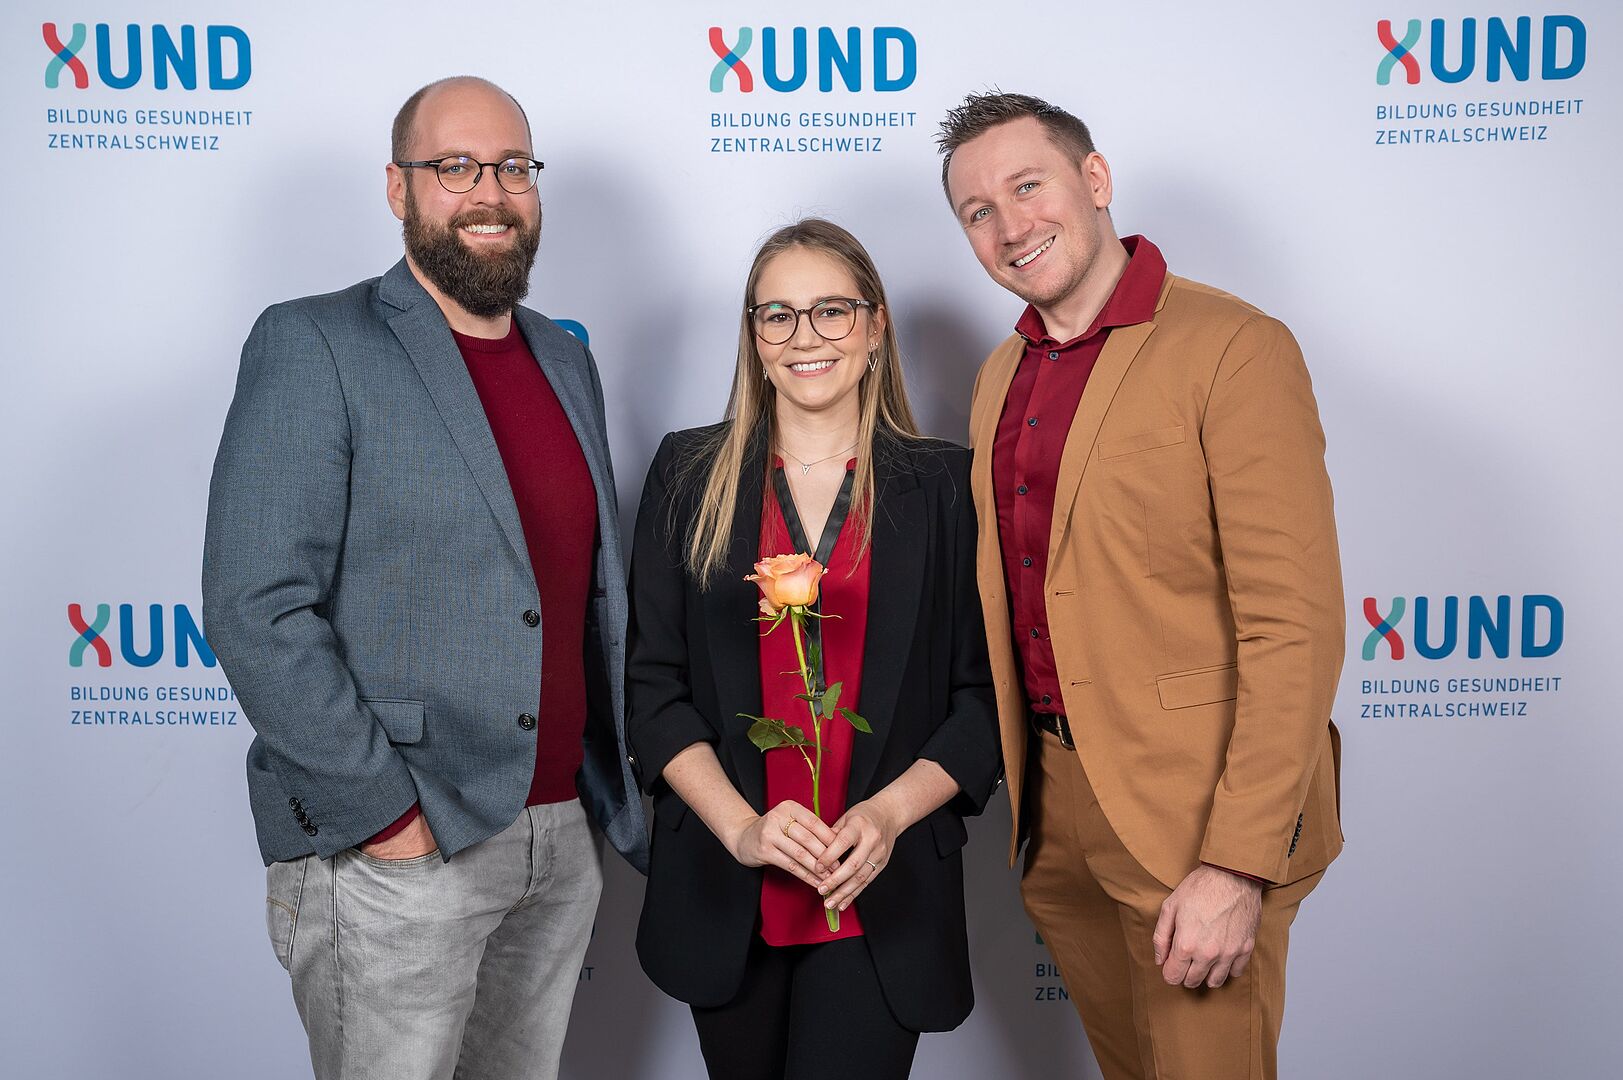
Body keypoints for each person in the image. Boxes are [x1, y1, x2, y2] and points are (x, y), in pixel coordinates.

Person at [201, 76, 646, 1080]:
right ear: (398, 188)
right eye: (455, 166)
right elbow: (254, 604)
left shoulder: (561, 358)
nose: (490, 191)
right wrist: (385, 816)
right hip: (404, 846)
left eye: (513, 167)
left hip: (558, 835)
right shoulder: (315, 342)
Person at [938, 91, 1345, 1080]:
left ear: (1094, 179)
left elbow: (1295, 627)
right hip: (1055, 811)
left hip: (1194, 818)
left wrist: (1237, 862)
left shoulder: (1232, 346)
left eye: (1027, 186)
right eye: (978, 211)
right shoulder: (999, 376)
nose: (1009, 226)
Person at [626, 218, 999, 1080]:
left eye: (832, 310)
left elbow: (983, 700)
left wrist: (887, 816)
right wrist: (741, 829)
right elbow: (651, 687)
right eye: (778, 315)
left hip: (881, 887)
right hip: (730, 883)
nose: (806, 337)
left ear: (874, 328)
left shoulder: (945, 486)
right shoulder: (689, 474)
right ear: (754, 339)